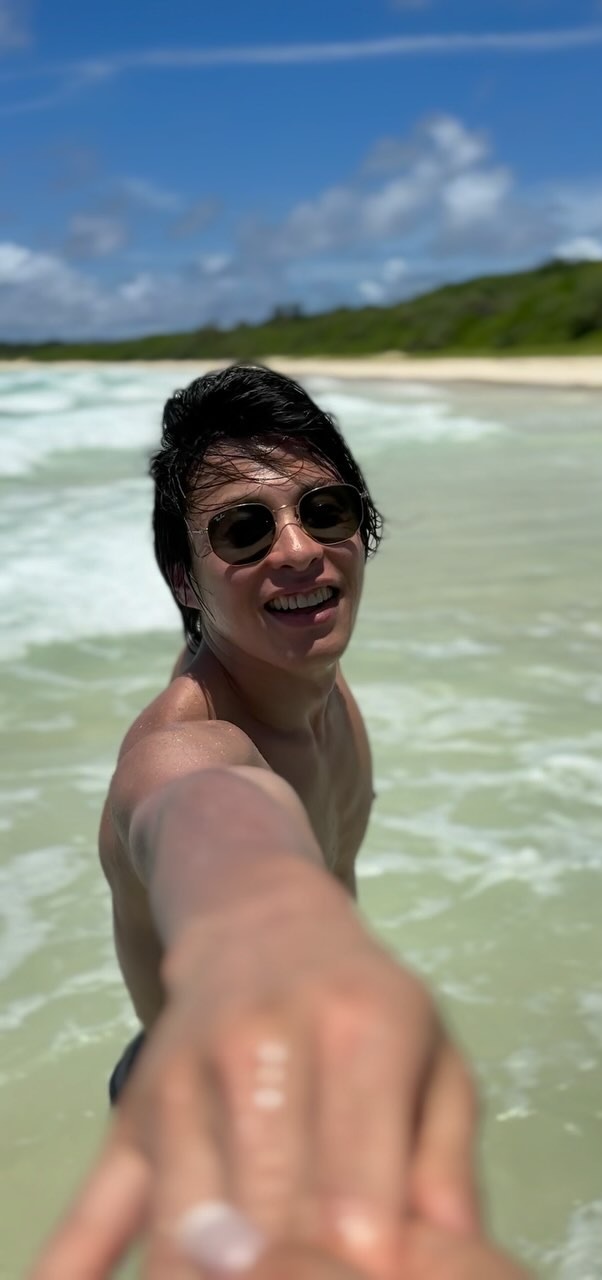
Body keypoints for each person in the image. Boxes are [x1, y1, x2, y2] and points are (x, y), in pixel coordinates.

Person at [30, 365, 526, 1279]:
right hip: (224, 1139)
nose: (297, 551)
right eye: (243, 530)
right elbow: (201, 813)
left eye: (325, 511)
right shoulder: (188, 744)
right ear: (185, 579)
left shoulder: (308, 675)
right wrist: (269, 920)